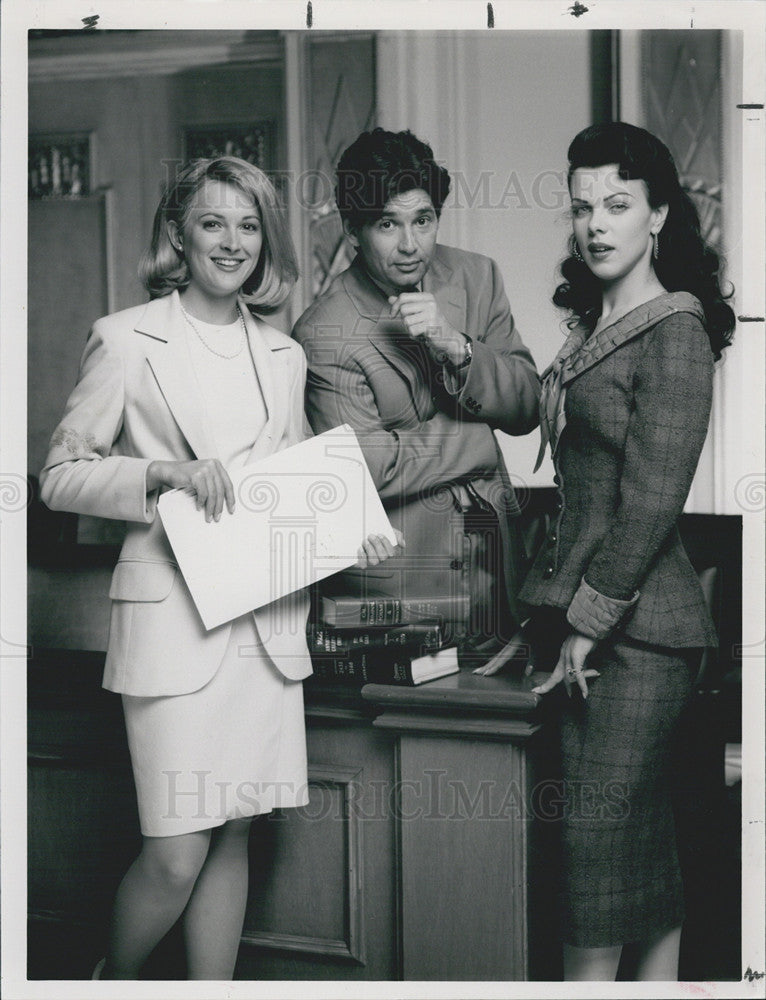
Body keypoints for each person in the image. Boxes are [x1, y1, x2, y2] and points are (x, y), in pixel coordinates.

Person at [39, 156, 399, 980]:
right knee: (174, 854)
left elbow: (279, 495)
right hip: (172, 628)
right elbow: (58, 477)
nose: (232, 241)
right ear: (179, 233)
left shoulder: (283, 355)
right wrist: (155, 476)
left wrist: (349, 530)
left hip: (261, 634)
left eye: (248, 224)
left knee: (234, 831)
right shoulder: (127, 338)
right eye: (213, 222)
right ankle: (107, 984)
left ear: (265, 238)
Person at [517, 122, 735, 980]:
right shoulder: (591, 325)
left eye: (617, 204)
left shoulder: (674, 328)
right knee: (626, 844)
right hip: (587, 619)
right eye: (581, 207)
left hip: (643, 633)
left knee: (594, 838)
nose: (596, 224)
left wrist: (586, 624)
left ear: (658, 215)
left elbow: (650, 505)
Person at [293, 128, 540, 661]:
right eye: (388, 224)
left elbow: (526, 406)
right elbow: (369, 469)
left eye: (423, 220)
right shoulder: (322, 331)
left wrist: (459, 348)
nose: (411, 245)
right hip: (397, 597)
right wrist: (478, 438)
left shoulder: (476, 276)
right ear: (353, 229)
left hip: (498, 580)